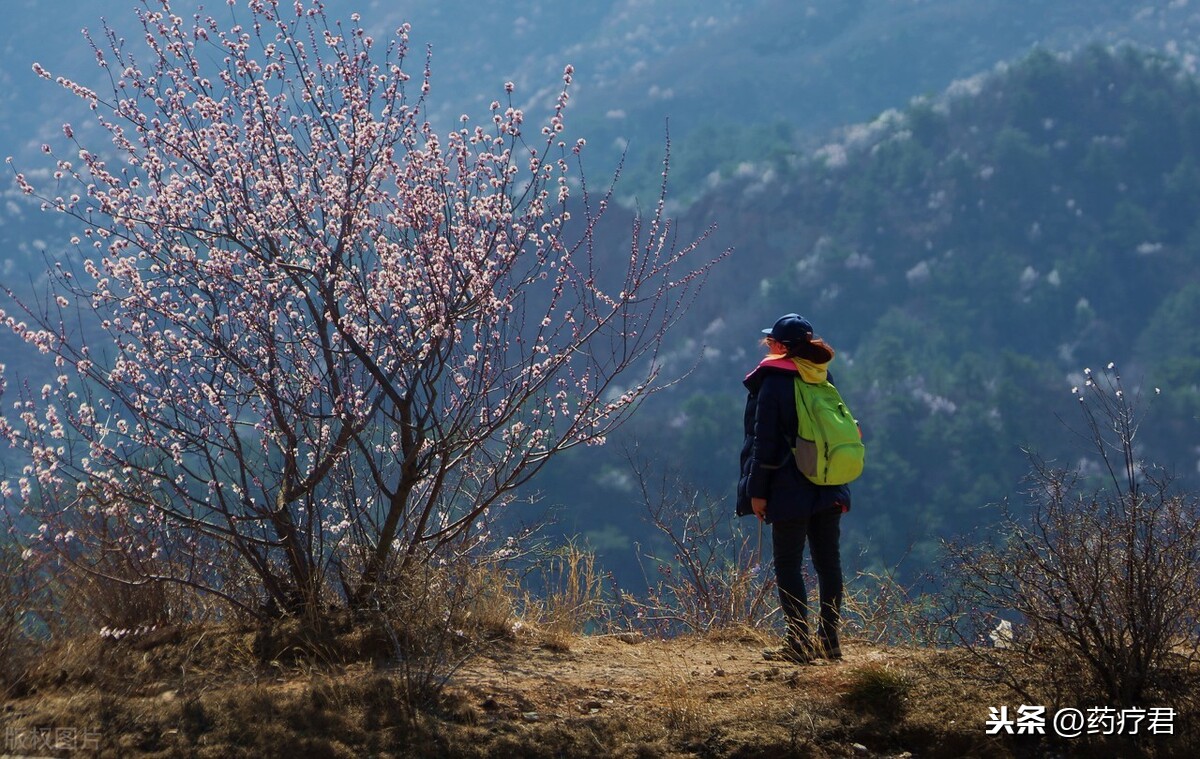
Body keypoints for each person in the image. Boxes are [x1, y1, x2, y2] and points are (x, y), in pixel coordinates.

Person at [737, 313, 851, 664]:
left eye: (771, 340)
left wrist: (756, 492)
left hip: (789, 487)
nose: (767, 344)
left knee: (788, 563)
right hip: (829, 482)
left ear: (782, 347)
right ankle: (829, 641)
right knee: (828, 563)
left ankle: (798, 643)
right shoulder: (822, 376)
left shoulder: (772, 381)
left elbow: (764, 443)